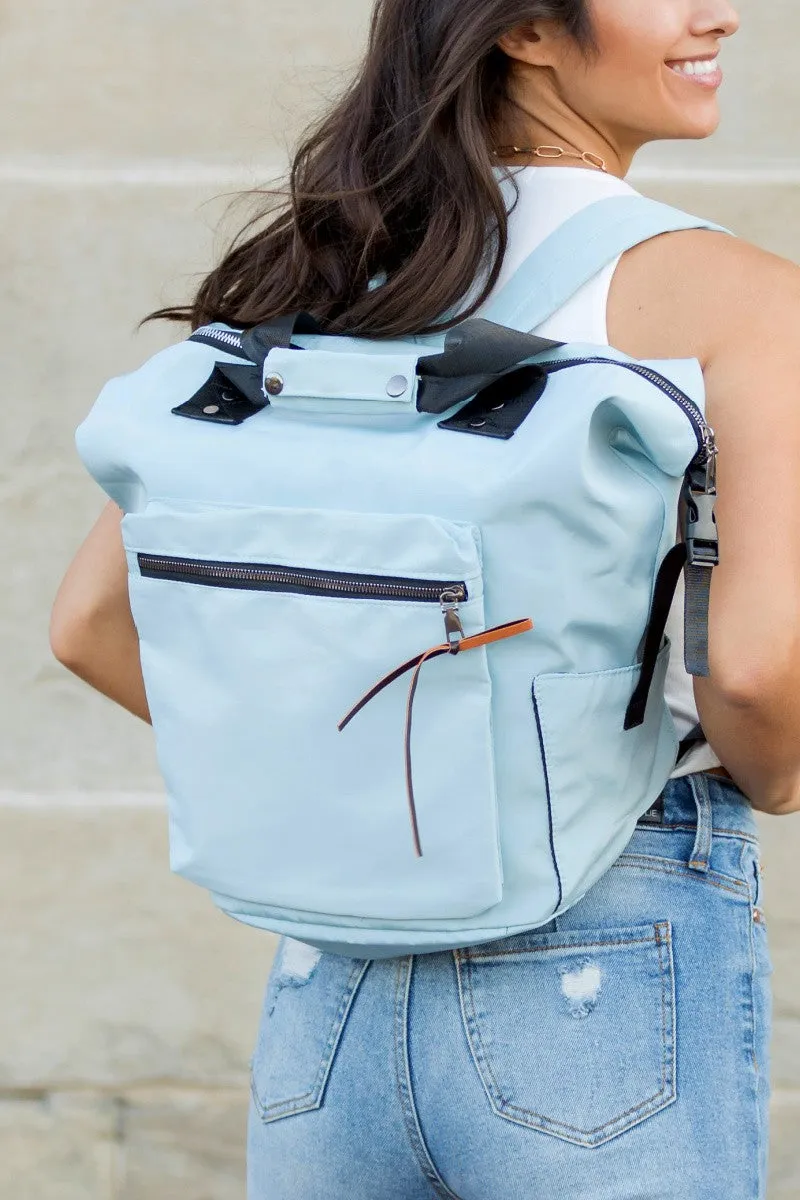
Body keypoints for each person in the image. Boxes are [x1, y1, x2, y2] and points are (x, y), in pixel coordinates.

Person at [50, 0, 800, 1195]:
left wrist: (363, 768)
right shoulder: (741, 300)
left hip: (329, 980)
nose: (721, 14)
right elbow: (755, 675)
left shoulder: (314, 273)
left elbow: (87, 625)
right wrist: (769, 776)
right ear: (522, 30)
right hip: (610, 925)